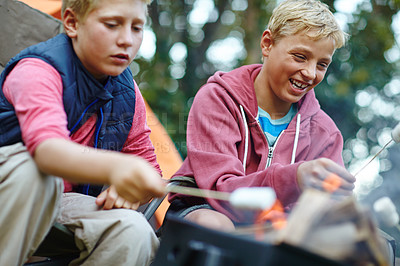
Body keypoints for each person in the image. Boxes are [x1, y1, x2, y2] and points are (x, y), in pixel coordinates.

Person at [0, 0, 167, 265]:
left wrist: (131, 190)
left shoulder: (127, 92)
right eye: (112, 25)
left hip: (61, 201)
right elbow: (48, 151)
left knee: (133, 229)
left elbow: (149, 170)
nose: (126, 40)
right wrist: (117, 167)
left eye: (137, 28)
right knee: (36, 173)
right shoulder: (38, 70)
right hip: (13, 185)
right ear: (72, 23)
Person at [167, 0, 356, 231]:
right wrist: (294, 178)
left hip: (276, 229)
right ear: (267, 44)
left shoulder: (325, 133)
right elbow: (221, 191)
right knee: (216, 227)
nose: (309, 73)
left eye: (322, 64)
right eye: (299, 56)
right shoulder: (218, 99)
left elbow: (328, 211)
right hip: (206, 211)